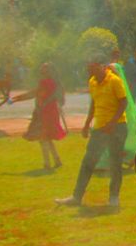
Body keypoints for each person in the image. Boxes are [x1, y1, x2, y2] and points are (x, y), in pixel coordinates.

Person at [55, 54, 128, 208]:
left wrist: (112, 123)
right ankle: (76, 197)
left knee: (115, 163)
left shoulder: (115, 80)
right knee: (88, 161)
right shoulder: (92, 82)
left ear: (102, 66)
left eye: (93, 67)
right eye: (89, 68)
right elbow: (93, 104)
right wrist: (87, 124)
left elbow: (124, 102)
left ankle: (114, 198)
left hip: (118, 127)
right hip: (99, 128)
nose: (91, 70)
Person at [14, 62, 66, 170]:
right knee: (48, 137)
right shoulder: (56, 83)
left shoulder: (44, 82)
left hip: (44, 111)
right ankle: (57, 160)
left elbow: (35, 93)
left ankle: (47, 164)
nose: (41, 70)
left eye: (43, 69)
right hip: (51, 111)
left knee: (43, 138)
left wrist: (18, 98)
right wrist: (18, 98)